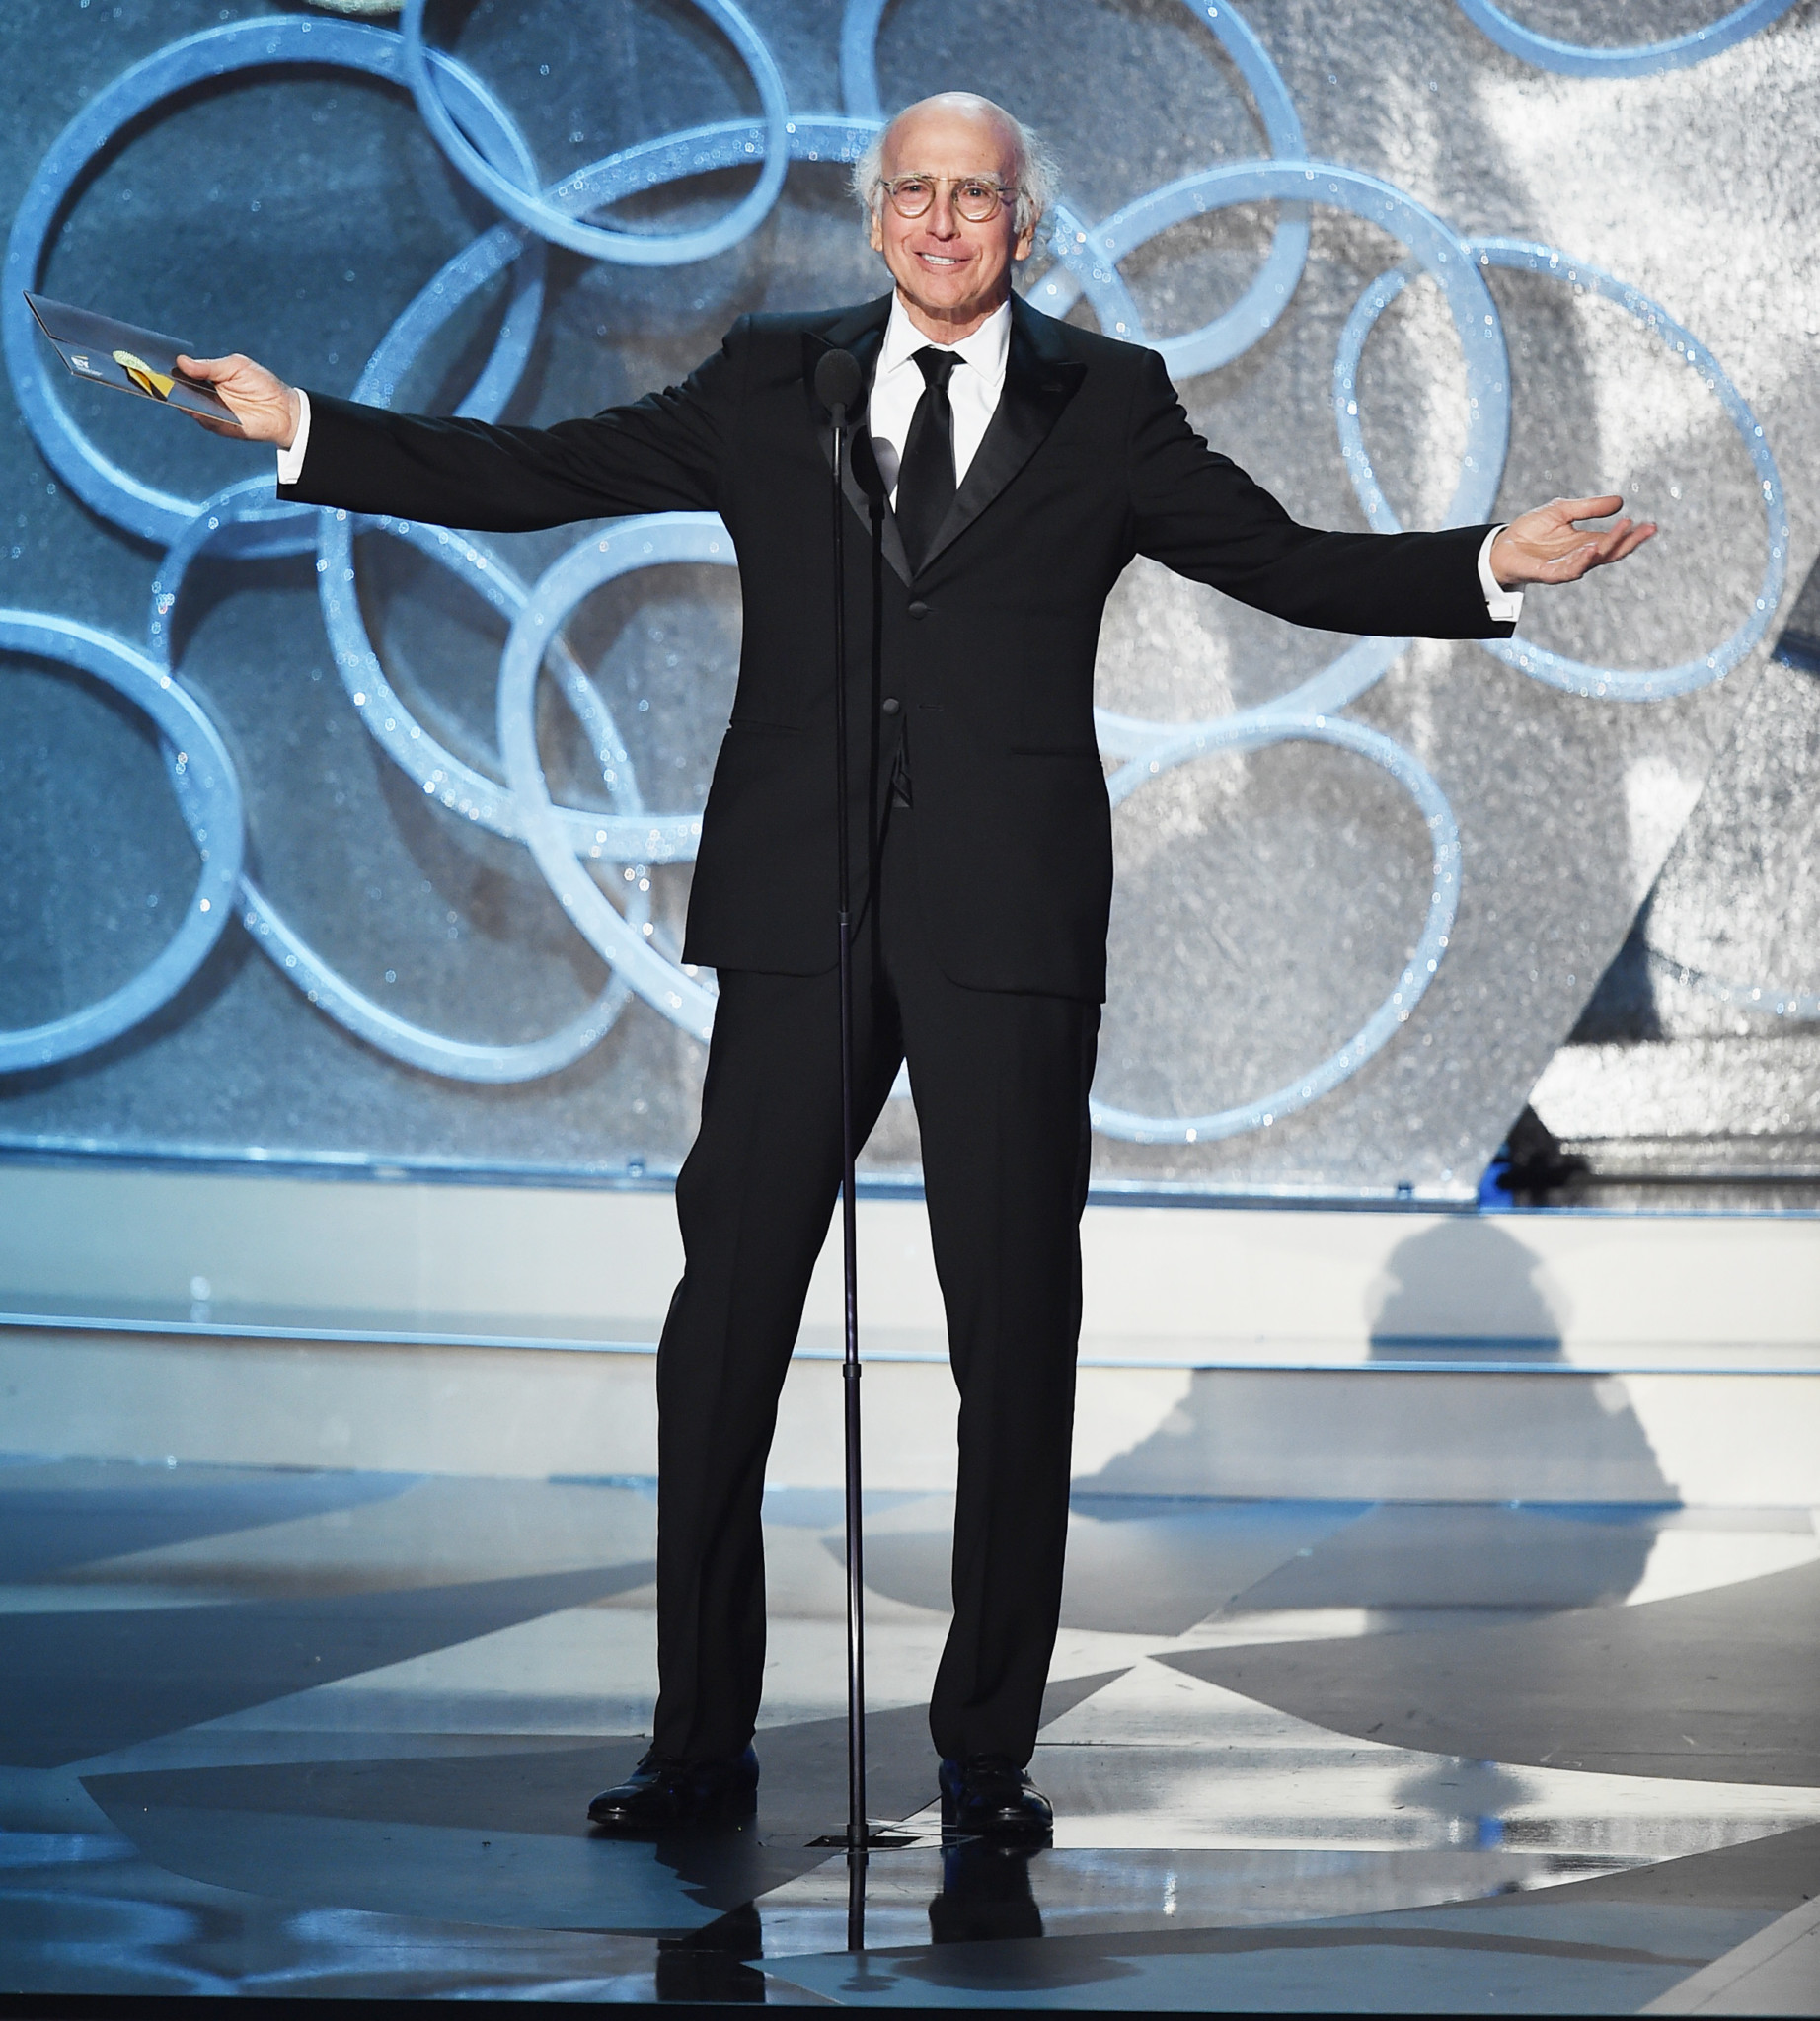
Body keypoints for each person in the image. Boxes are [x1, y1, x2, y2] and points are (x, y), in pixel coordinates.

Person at [183, 91, 1653, 1844]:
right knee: (721, 1331)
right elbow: (544, 473)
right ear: (877, 216)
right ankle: (697, 1740)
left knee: (1013, 1335)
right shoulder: (767, 376)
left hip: (1007, 927)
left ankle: (984, 1753)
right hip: (797, 920)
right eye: (918, 195)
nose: (947, 223)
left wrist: (1486, 562)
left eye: (979, 199)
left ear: (1022, 227)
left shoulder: (1108, 403)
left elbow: (1278, 561)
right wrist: (310, 430)